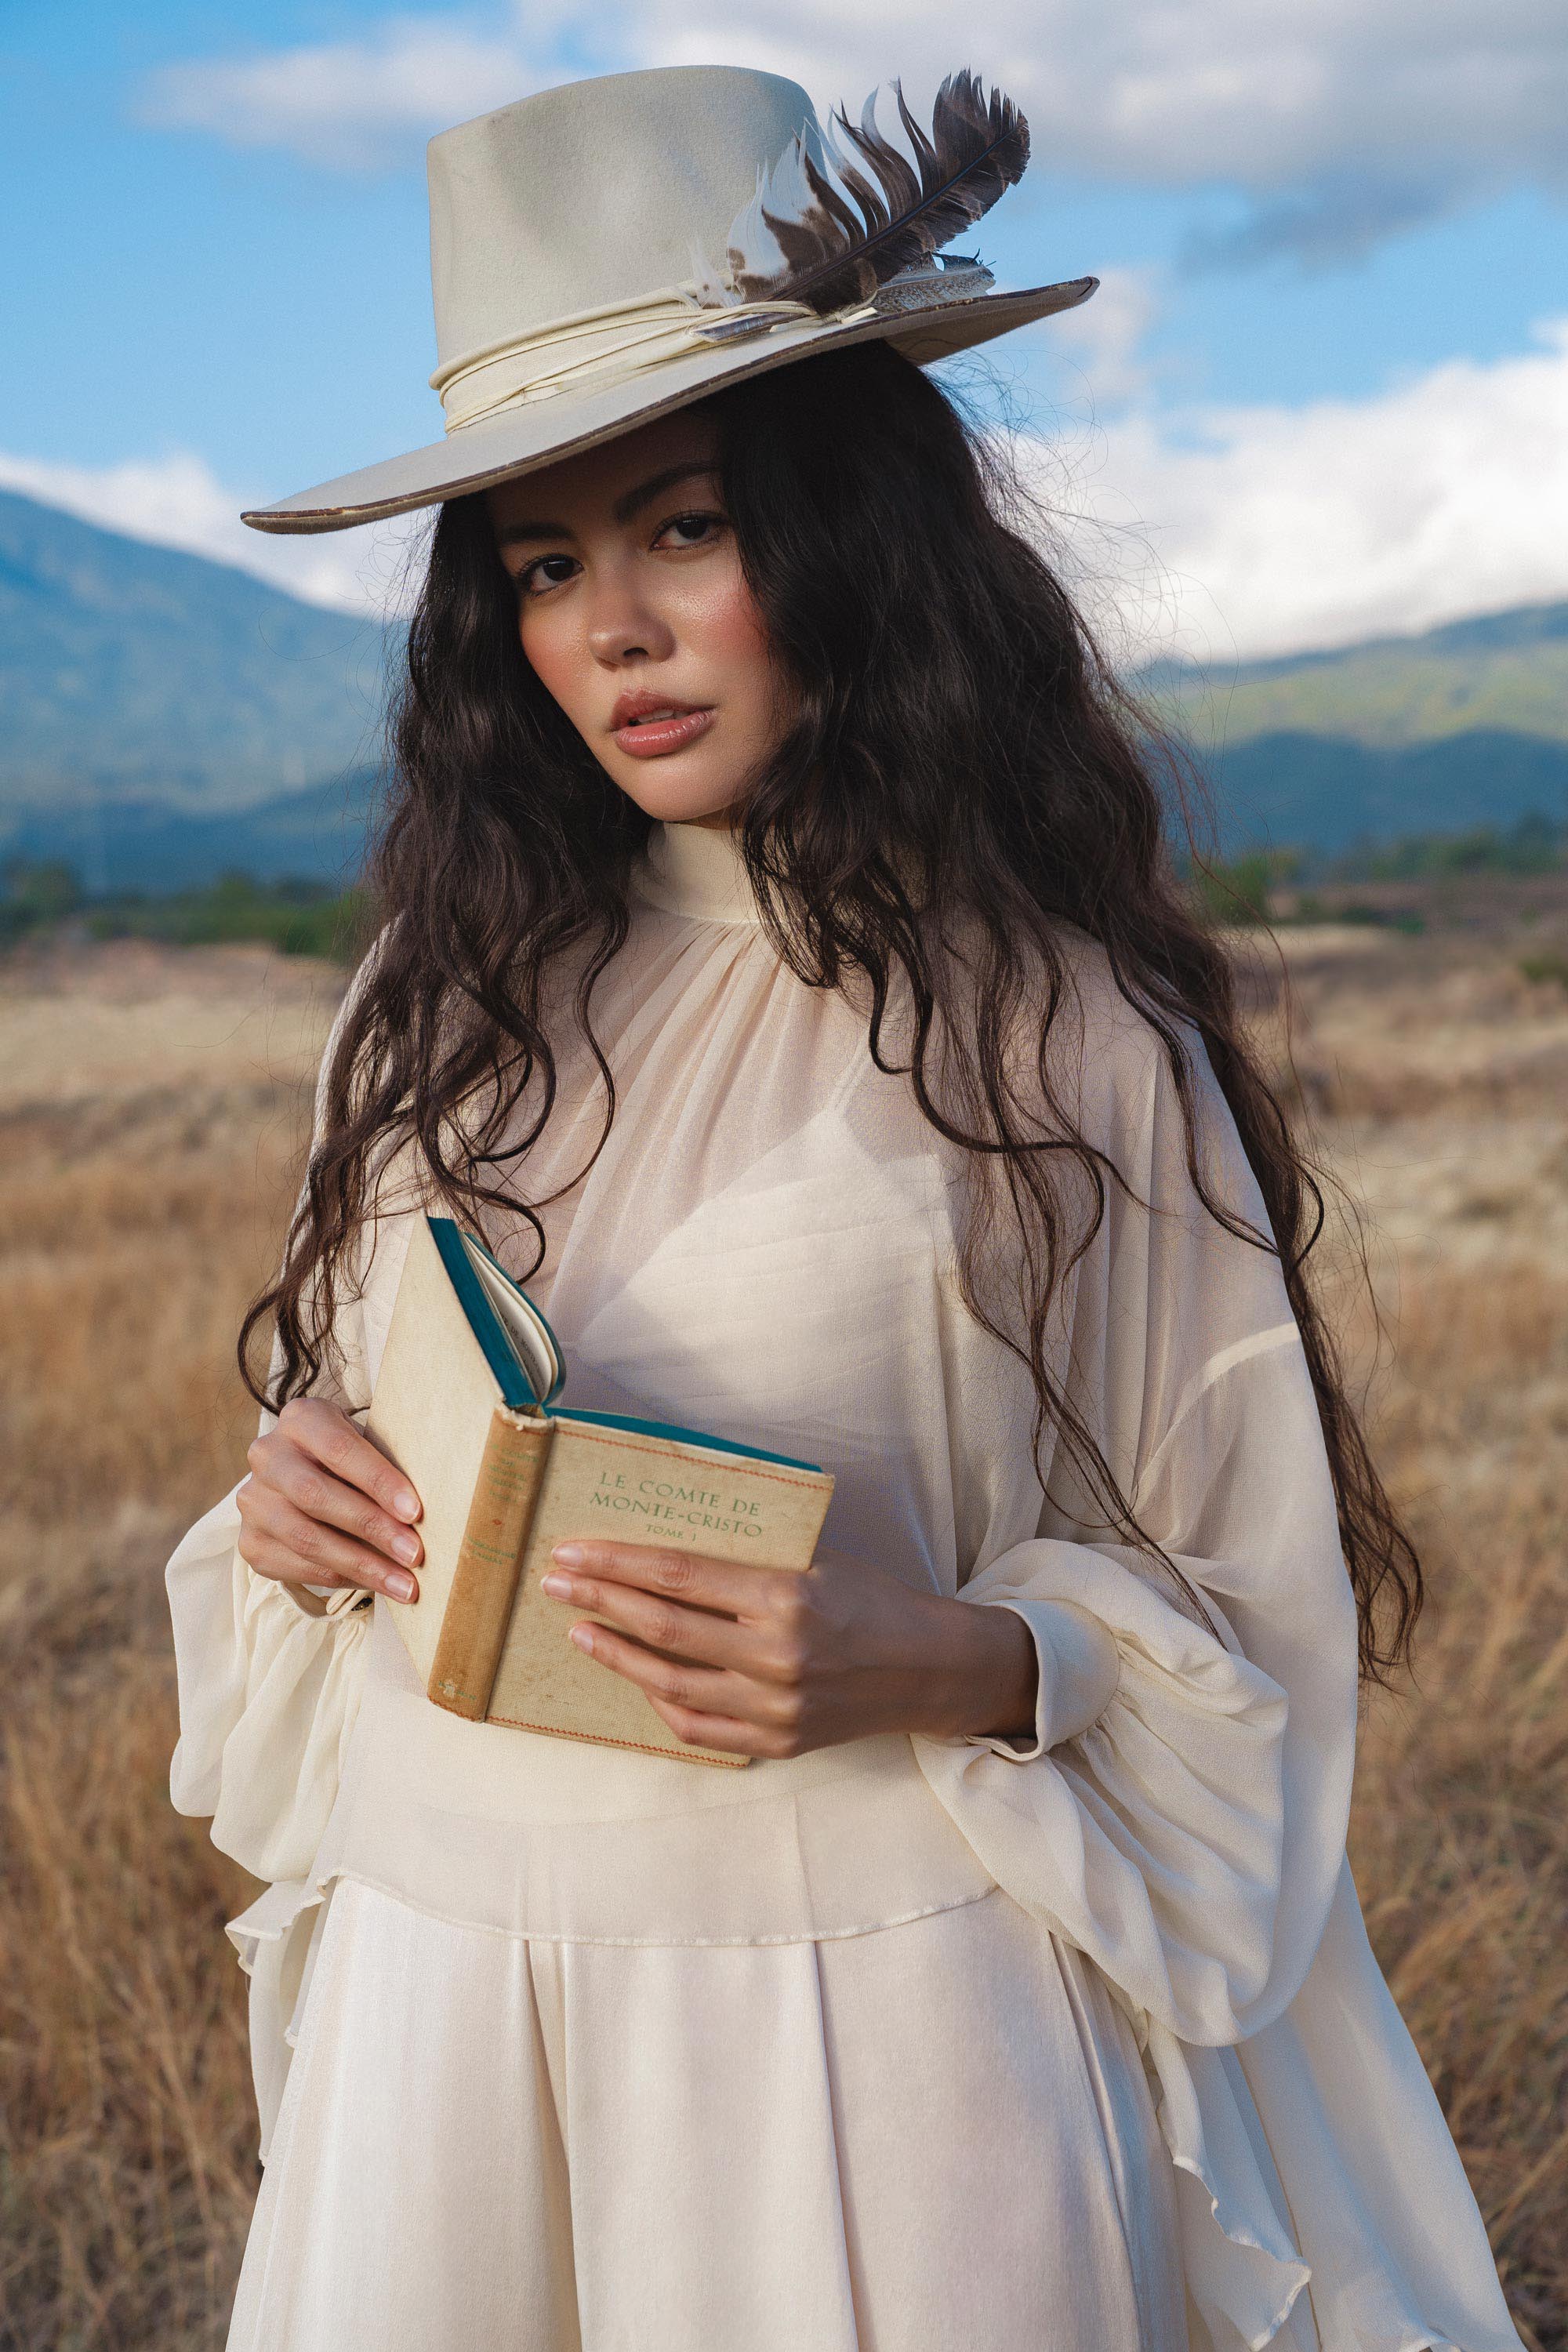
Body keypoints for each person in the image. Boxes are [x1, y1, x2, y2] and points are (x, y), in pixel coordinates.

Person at [165, 61, 1525, 2352]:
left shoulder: (1057, 1040)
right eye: (543, 565)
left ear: (850, 537)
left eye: (682, 528)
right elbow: (360, 1424)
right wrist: (300, 1504)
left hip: (865, 2042)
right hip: (447, 2000)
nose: (611, 628)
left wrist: (959, 1654)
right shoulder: (442, 999)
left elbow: (1250, 1618)